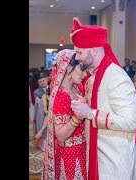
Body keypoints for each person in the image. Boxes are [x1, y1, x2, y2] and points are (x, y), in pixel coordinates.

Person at [70, 17, 136, 180]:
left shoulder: (116, 77)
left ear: (94, 50)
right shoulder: (93, 76)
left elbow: (131, 122)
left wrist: (89, 113)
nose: (77, 57)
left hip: (113, 162)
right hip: (97, 157)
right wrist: (84, 105)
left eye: (79, 52)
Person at [42, 49, 87, 180]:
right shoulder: (61, 96)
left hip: (81, 150)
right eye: (81, 69)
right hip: (70, 154)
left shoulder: (76, 89)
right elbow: (61, 136)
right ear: (68, 68)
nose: (84, 74)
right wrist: (79, 116)